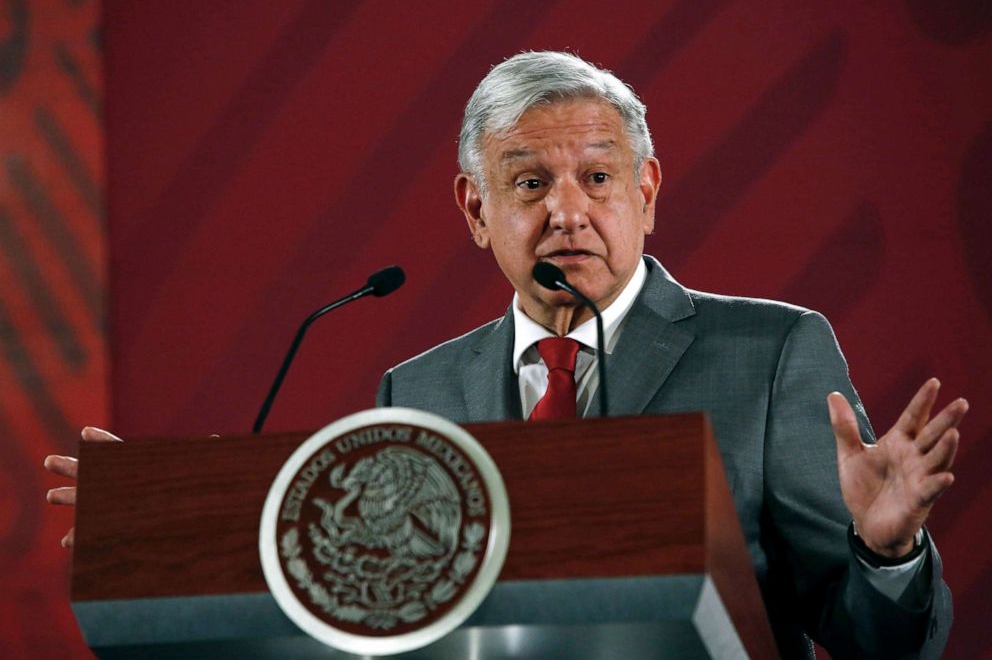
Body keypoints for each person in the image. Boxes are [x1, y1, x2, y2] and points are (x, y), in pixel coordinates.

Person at [46, 52, 967, 658]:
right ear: (476, 209)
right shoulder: (420, 387)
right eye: (529, 183)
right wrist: (177, 544)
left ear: (646, 192)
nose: (567, 210)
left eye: (597, 178)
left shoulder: (771, 353)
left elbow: (884, 646)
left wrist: (887, 552)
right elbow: (371, 608)